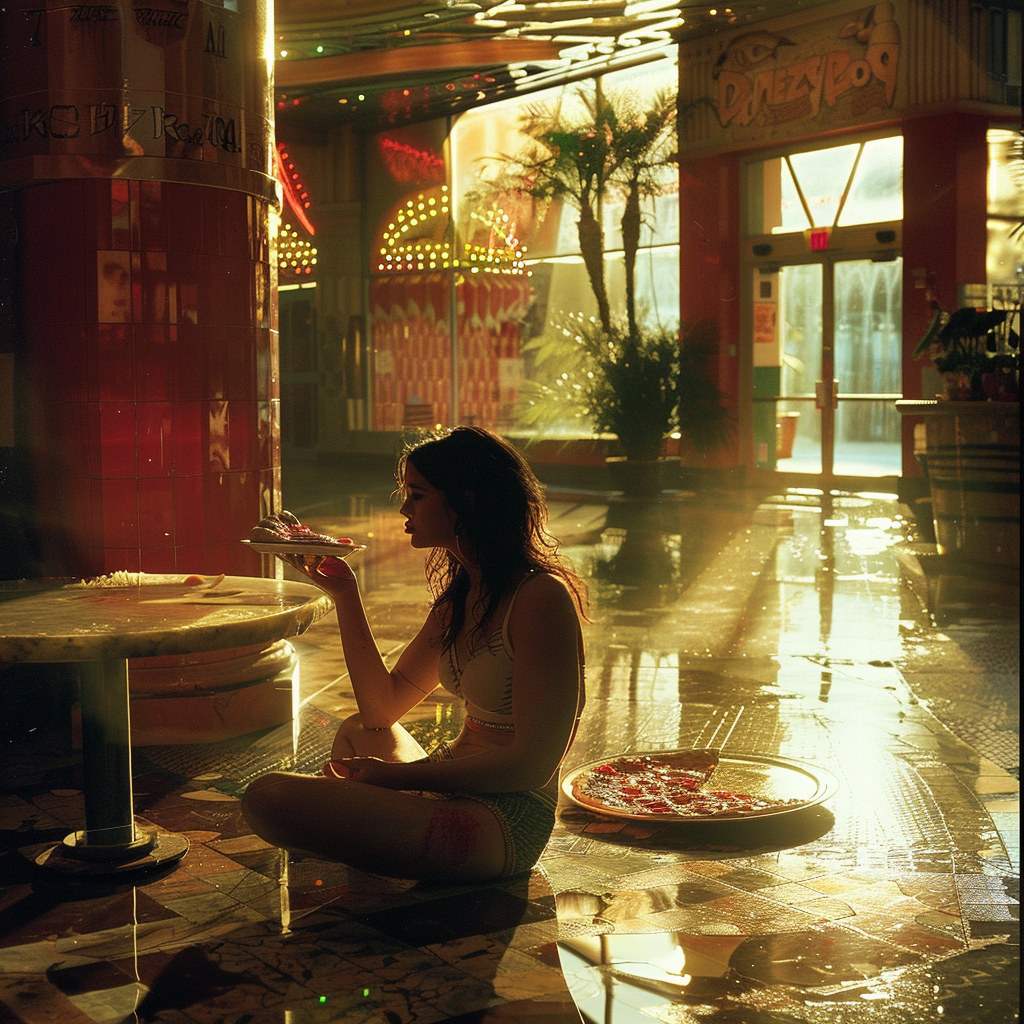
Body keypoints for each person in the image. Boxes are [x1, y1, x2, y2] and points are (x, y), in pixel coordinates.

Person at [242, 426, 587, 882]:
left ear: (467, 500)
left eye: (418, 495)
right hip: (445, 786)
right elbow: (380, 709)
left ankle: (375, 842)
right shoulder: (462, 600)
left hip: (502, 820)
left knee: (268, 798)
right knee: (356, 731)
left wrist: (398, 779)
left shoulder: (541, 597)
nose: (404, 508)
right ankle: (381, 842)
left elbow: (532, 765)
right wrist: (344, 594)